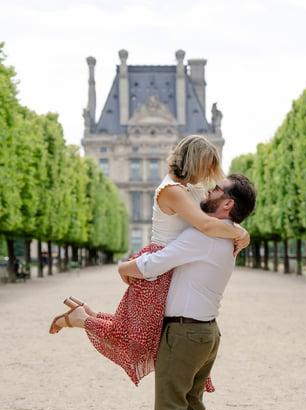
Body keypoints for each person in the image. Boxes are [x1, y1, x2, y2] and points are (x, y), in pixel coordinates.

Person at [49, 136, 250, 391]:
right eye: (207, 166)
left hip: (169, 266)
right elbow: (207, 224)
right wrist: (241, 233)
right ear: (195, 162)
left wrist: (238, 228)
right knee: (135, 339)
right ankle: (79, 318)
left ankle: (86, 311)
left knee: (139, 332)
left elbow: (215, 216)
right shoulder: (173, 191)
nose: (209, 175)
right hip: (157, 268)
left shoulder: (192, 187)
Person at [117, 173, 257, 410]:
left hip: (184, 334)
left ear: (227, 204)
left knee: (169, 409)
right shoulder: (225, 240)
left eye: (217, 190)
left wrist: (125, 266)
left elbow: (153, 265)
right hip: (207, 332)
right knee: (193, 405)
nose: (208, 191)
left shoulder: (204, 236)